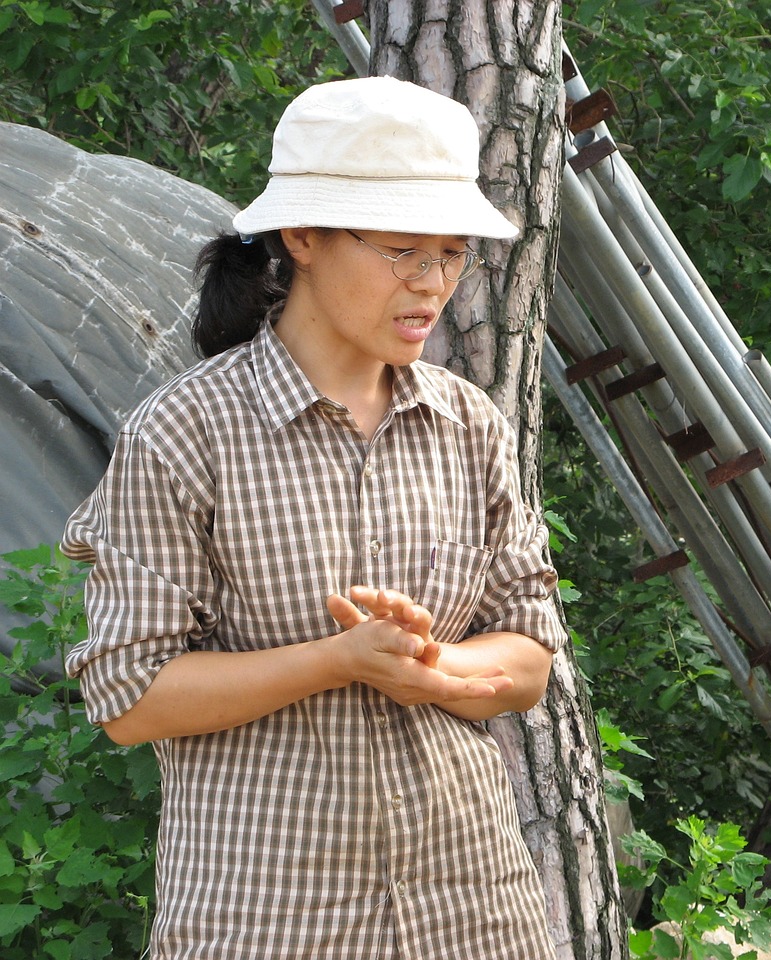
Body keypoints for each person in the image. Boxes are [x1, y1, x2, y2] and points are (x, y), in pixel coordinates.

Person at [62, 75, 565, 960]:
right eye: (402, 249)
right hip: (268, 917)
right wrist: (336, 661)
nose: (432, 284)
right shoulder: (187, 432)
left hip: (472, 911)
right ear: (302, 236)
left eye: (452, 254)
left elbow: (527, 657)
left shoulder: (468, 425)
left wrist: (437, 670)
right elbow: (129, 698)